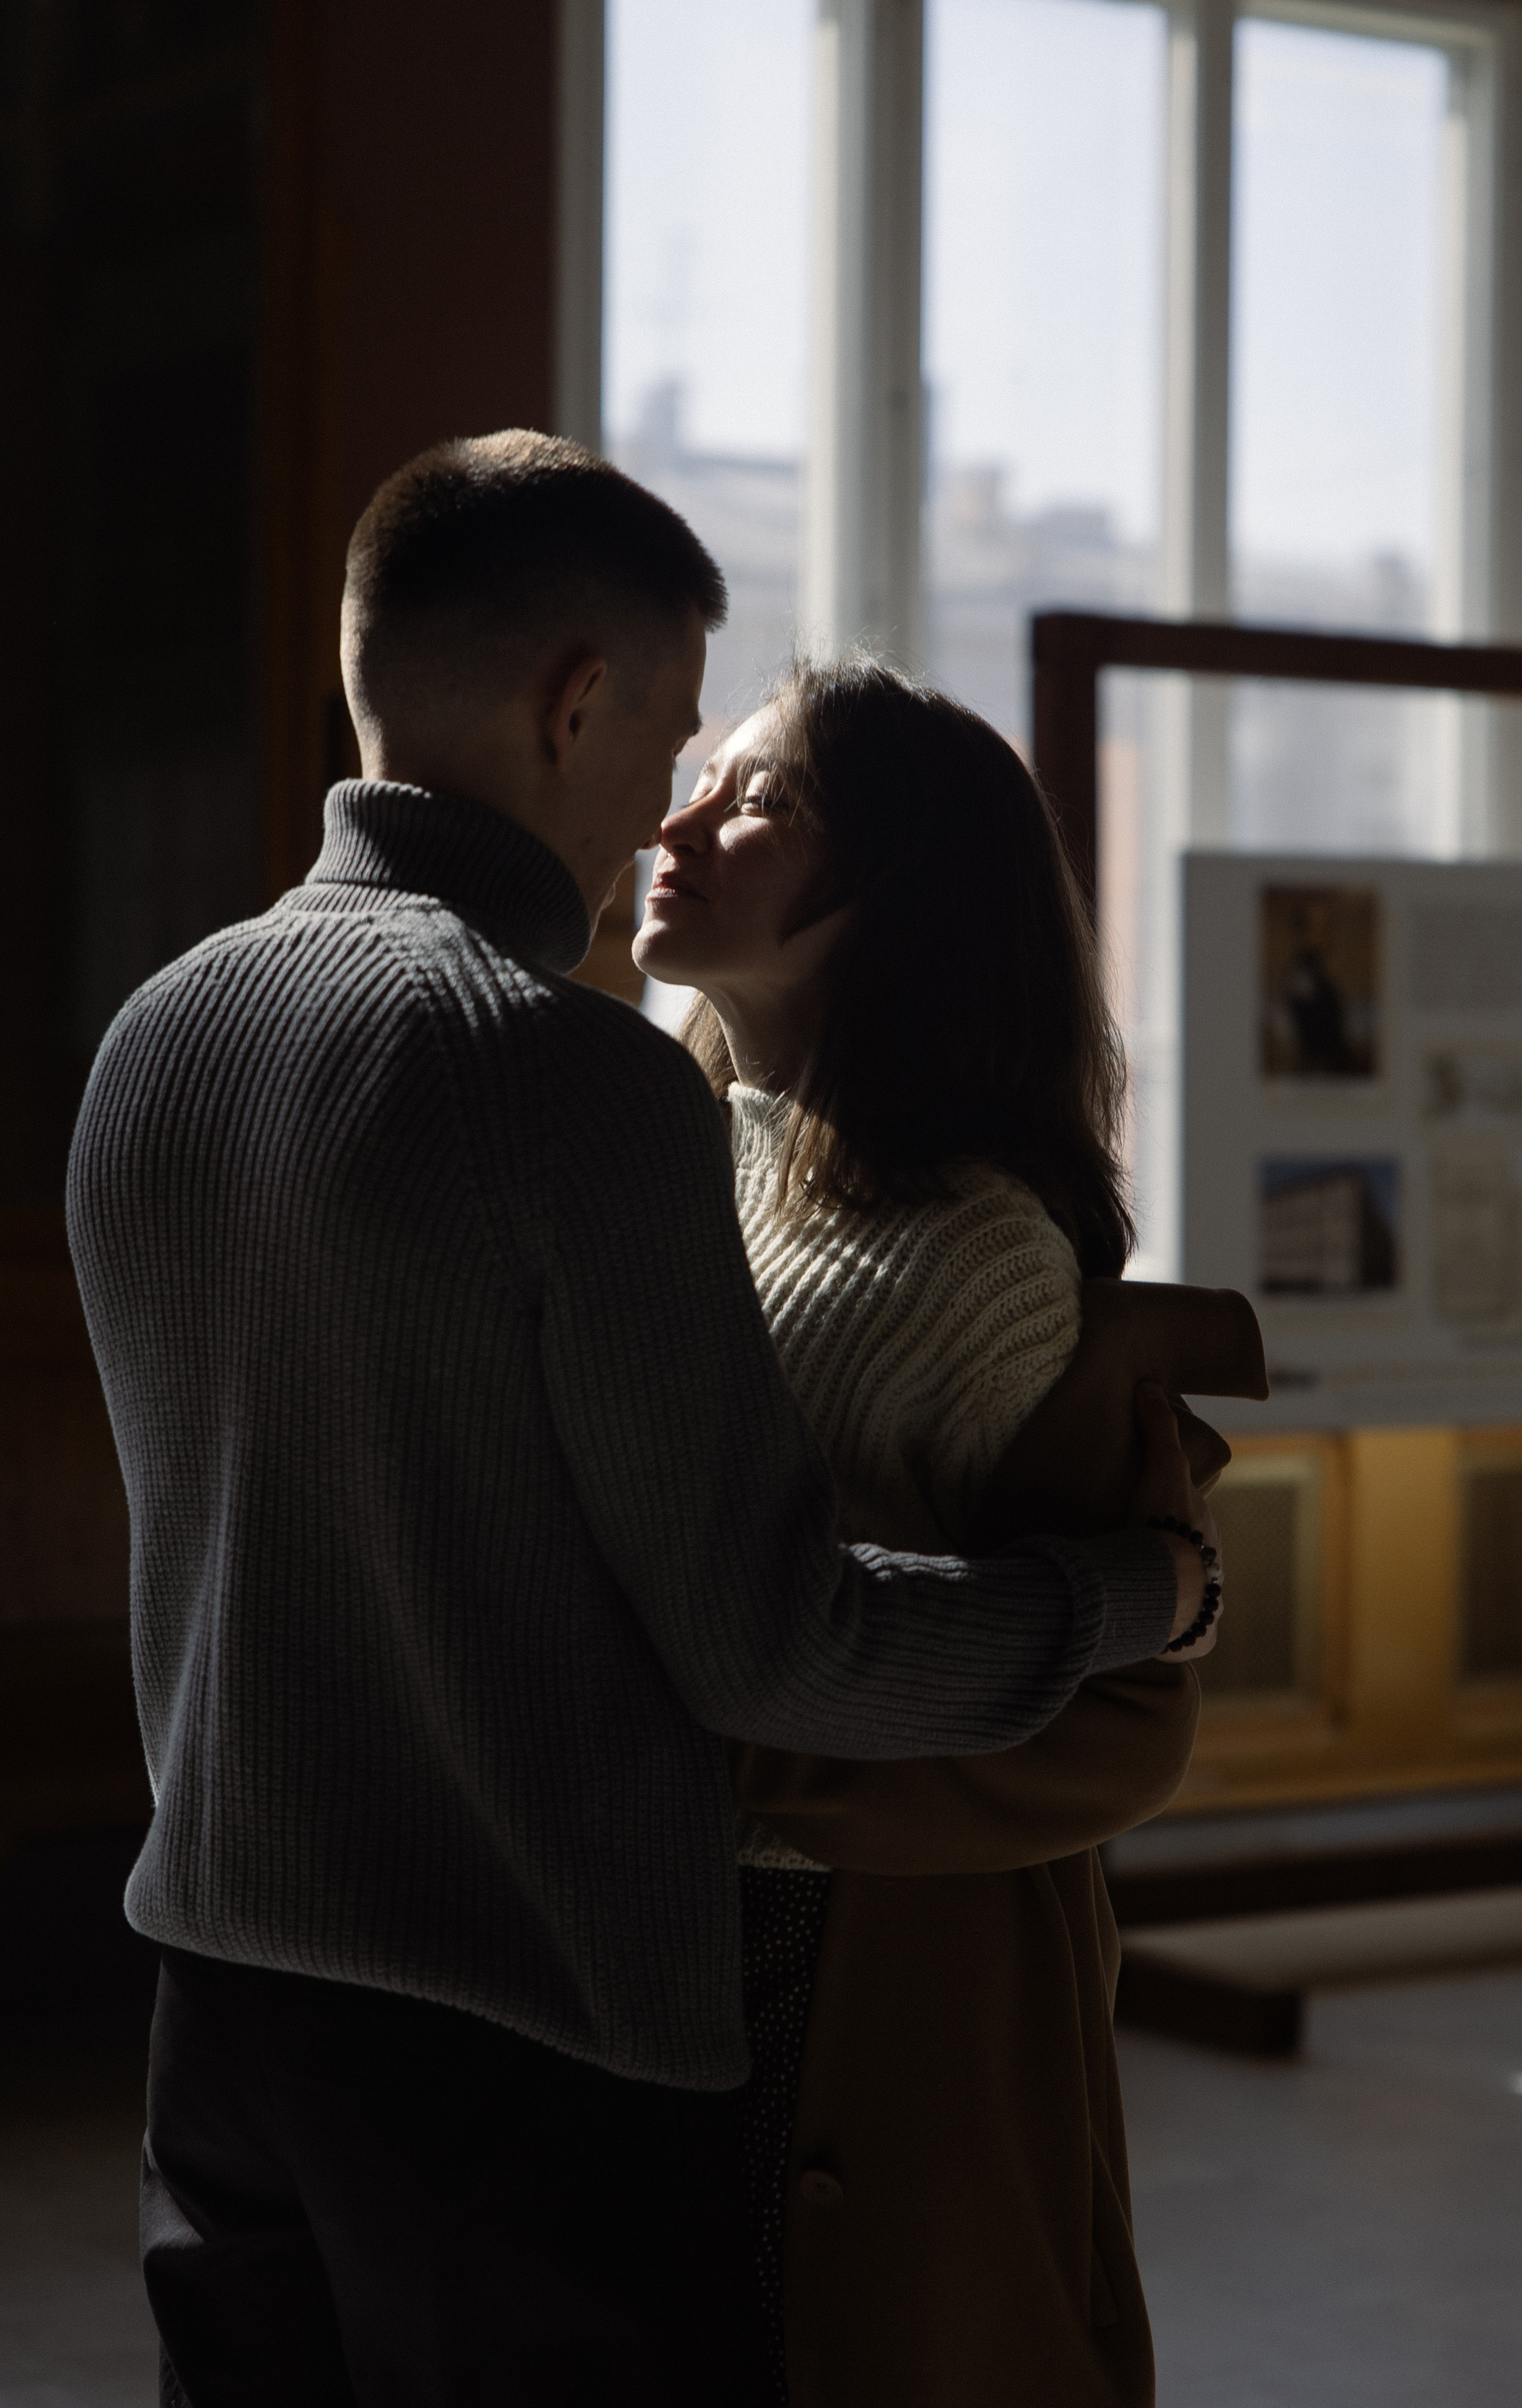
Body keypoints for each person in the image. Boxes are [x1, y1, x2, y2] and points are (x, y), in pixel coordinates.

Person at [65, 432, 1211, 2408]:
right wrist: (1131, 1602)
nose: (665, 799)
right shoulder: (572, 1082)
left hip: (218, 1985)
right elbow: (774, 1639)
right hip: (511, 2028)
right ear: (574, 702)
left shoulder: (156, 1033)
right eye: (672, 731)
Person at [635, 655, 1263, 2408]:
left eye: (753, 801)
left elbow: (1108, 1719)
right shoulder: (662, 1151)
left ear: (899, 884)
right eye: (692, 780)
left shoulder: (975, 1248)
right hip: (634, 1918)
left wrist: (714, 1764)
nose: (676, 826)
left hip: (854, 1957)